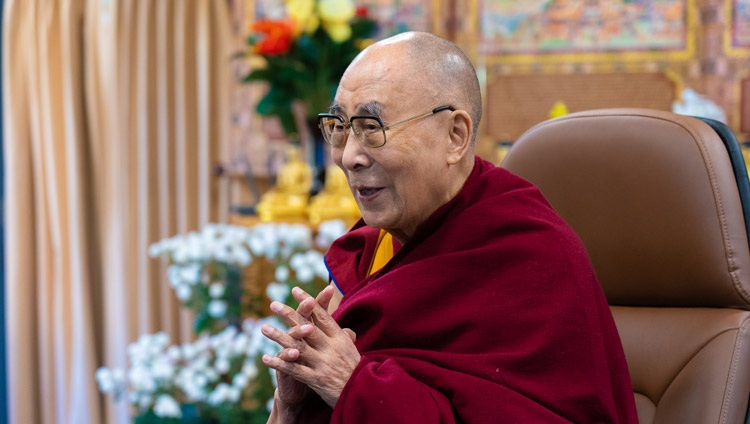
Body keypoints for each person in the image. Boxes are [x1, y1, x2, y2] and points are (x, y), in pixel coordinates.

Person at [260, 31, 638, 423]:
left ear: (455, 136)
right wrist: (290, 407)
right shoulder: (371, 252)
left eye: (371, 126)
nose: (350, 156)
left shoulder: (531, 257)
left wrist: (354, 386)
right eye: (339, 126)